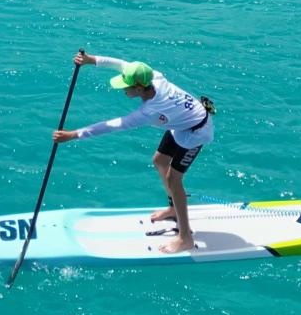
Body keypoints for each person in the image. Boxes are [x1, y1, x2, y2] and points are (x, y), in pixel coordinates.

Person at [52, 51, 215, 254]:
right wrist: (89, 60)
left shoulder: (149, 112)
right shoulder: (152, 76)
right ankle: (174, 208)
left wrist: (73, 135)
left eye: (125, 86)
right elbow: (120, 64)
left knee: (174, 179)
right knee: (160, 161)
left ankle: (185, 239)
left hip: (196, 131)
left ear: (138, 88)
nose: (122, 89)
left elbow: (112, 125)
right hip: (180, 120)